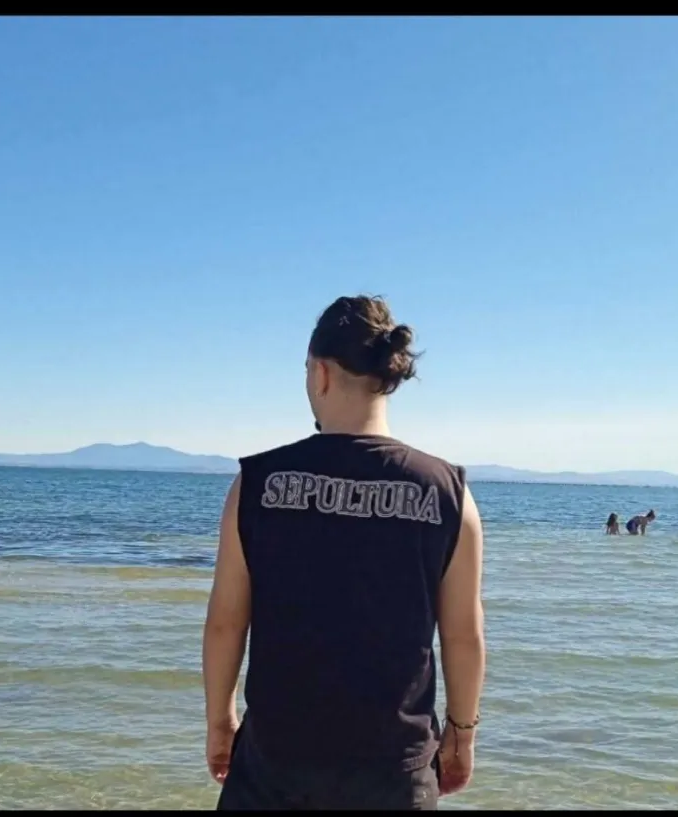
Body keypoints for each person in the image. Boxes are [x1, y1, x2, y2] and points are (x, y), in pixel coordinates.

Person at [202, 294, 486, 811]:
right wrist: (461, 734)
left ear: (321, 373)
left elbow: (226, 621)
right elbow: (463, 635)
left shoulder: (257, 484)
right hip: (394, 771)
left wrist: (220, 722)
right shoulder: (449, 493)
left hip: (273, 767)